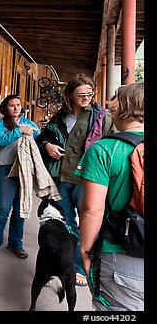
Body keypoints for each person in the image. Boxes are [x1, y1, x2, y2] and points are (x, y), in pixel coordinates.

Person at [36, 73, 114, 287]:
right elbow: (43, 136)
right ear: (69, 95)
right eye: (81, 94)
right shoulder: (61, 115)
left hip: (87, 179)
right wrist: (47, 146)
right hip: (61, 176)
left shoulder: (101, 117)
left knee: (89, 224)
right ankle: (66, 265)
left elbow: (112, 143)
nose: (86, 97)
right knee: (66, 224)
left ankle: (82, 268)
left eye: (89, 93)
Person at [76, 82, 144, 311]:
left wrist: (85, 252)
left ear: (123, 106)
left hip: (121, 254)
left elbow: (92, 210)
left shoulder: (104, 149)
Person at [0, 94, 41, 259]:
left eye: (18, 105)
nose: (16, 108)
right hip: (5, 168)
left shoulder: (30, 124)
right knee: (3, 208)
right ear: (5, 108)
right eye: (12, 105)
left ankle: (16, 242)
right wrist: (18, 131)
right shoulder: (0, 124)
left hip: (24, 169)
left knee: (20, 208)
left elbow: (39, 143)